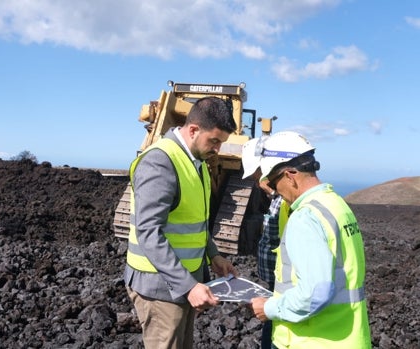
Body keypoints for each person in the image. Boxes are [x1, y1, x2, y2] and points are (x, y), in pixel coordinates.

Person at [124, 97, 239, 349]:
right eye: (215, 141)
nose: (218, 149)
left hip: (182, 283)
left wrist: (214, 255)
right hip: (160, 288)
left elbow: (194, 221)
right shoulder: (160, 162)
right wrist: (188, 286)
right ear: (194, 129)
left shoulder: (195, 162)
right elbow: (148, 232)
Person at [249, 131, 371, 349]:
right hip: (349, 337)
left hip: (311, 339)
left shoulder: (305, 217)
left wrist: (269, 308)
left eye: (275, 185)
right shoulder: (337, 205)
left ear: (290, 175)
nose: (277, 193)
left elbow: (316, 293)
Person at [242, 137, 289, 349]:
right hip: (275, 283)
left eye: (257, 173)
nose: (255, 178)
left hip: (284, 285)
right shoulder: (277, 199)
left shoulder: (287, 203)